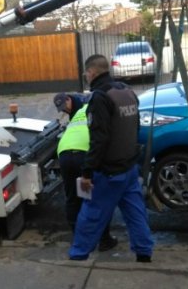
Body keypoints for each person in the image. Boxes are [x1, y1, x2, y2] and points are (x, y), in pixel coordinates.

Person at [68, 54, 154, 262]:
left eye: (86, 74)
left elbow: (99, 139)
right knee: (136, 214)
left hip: (108, 173)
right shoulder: (127, 92)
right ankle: (144, 254)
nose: (86, 77)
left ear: (92, 72)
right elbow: (135, 128)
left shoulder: (100, 97)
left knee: (90, 215)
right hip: (129, 169)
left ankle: (77, 256)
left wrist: (88, 172)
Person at [53, 92, 118, 252]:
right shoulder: (96, 109)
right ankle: (104, 240)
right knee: (96, 197)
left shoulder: (78, 113)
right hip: (84, 154)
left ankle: (80, 239)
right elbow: (103, 137)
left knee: (73, 198)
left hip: (65, 153)